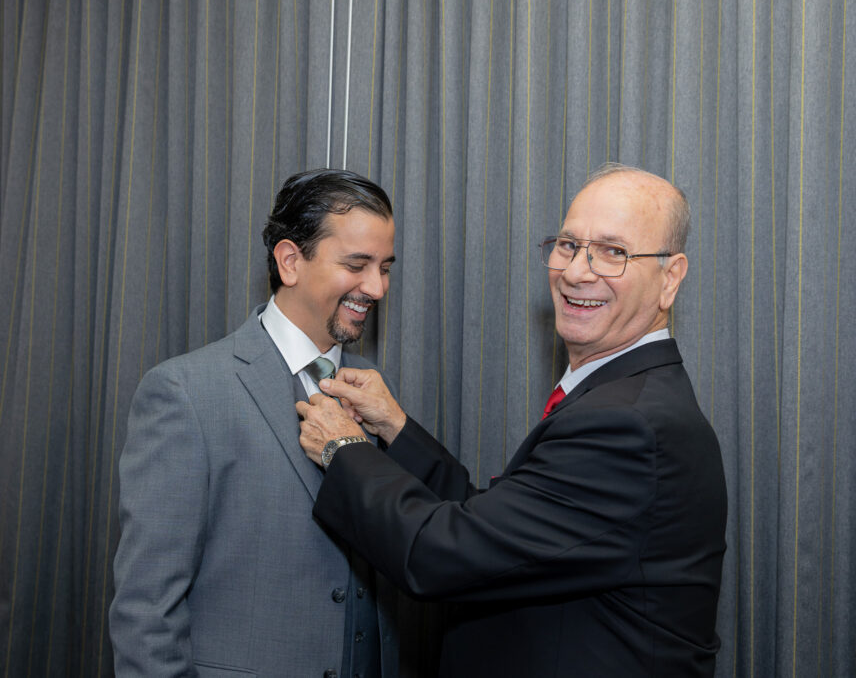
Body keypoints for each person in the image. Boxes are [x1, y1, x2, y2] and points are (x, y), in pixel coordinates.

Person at [296, 163, 728, 677]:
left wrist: (343, 450)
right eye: (568, 245)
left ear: (670, 277)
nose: (575, 272)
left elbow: (441, 554)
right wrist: (395, 428)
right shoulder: (621, 397)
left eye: (613, 252)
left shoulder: (629, 424)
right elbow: (496, 526)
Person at [110, 169, 408, 677]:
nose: (376, 287)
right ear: (290, 260)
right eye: (358, 265)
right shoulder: (185, 392)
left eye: (385, 267)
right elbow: (147, 610)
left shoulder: (373, 387)